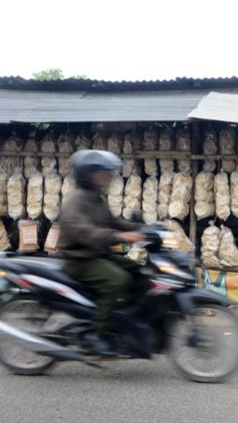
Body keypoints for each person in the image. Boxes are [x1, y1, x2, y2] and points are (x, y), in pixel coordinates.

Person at [58, 149, 145, 355]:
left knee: (138, 270)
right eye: (101, 172)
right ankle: (97, 334)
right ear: (87, 175)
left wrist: (142, 228)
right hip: (81, 260)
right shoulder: (77, 201)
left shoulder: (95, 197)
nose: (107, 177)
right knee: (119, 280)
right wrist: (119, 237)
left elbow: (112, 221)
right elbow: (85, 232)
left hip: (97, 255)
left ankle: (125, 318)